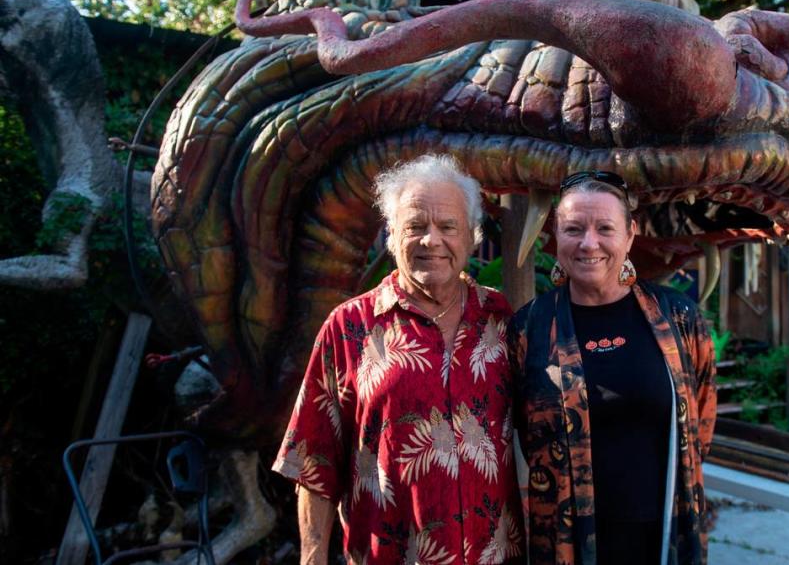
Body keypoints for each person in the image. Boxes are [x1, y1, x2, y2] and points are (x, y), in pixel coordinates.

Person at [273, 154, 524, 564]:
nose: (431, 240)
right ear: (392, 234)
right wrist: (312, 556)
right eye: (415, 227)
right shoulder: (349, 327)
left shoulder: (500, 319)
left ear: (471, 235)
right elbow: (312, 459)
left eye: (447, 227)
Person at [508, 171, 717, 565]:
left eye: (605, 228)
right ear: (555, 235)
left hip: (664, 531)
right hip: (567, 539)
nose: (589, 243)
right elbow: (525, 427)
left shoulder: (678, 318)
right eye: (573, 229)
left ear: (630, 234)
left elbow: (701, 419)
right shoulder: (529, 328)